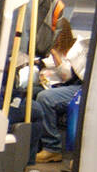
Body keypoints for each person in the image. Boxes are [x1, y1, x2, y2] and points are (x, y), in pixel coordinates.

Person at [33, 19, 87, 164]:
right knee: (29, 94)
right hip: (56, 84)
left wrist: (54, 52)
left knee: (45, 98)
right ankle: (33, 144)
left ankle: (52, 148)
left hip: (78, 86)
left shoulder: (75, 50)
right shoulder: (47, 49)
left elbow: (66, 75)